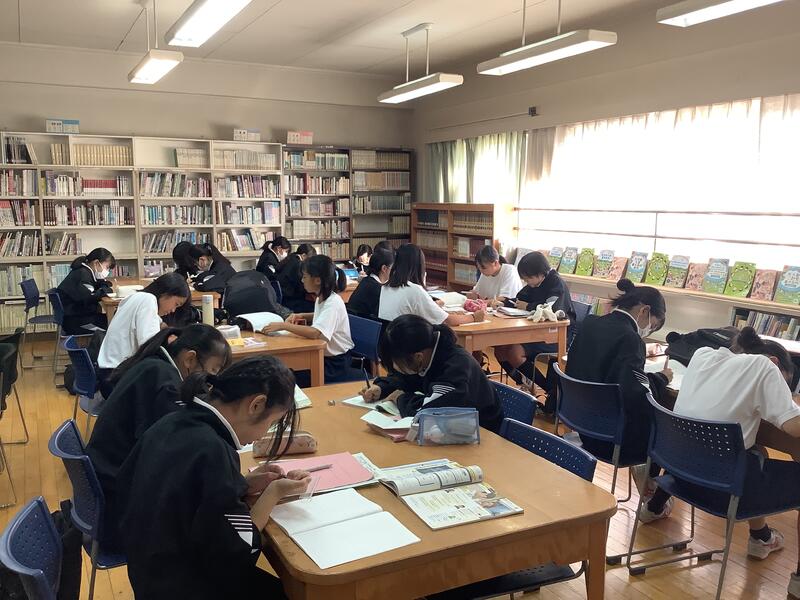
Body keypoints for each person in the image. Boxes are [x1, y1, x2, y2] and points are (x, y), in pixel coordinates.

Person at [117, 356, 310, 600]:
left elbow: (186, 494)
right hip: (184, 585)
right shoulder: (213, 450)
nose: (263, 435)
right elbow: (237, 550)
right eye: (271, 423)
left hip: (149, 571)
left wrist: (241, 484)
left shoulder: (173, 421)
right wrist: (274, 493)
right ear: (256, 405)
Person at [640, 327, 800, 598]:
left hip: (681, 479)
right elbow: (793, 427)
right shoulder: (764, 367)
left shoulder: (703, 355)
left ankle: (760, 538)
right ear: (775, 363)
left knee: (755, 452)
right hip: (724, 492)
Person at [86, 324, 232, 552]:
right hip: (118, 511)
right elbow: (172, 453)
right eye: (211, 371)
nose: (209, 382)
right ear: (190, 359)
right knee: (207, 526)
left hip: (106, 488)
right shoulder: (165, 384)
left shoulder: (155, 364)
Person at [566, 278, 671, 480]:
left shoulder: (590, 323)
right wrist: (661, 378)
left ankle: (649, 488)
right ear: (644, 311)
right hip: (609, 436)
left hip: (578, 420)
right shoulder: (631, 339)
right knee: (665, 431)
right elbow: (636, 393)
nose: (648, 330)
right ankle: (650, 488)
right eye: (653, 325)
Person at [362, 315, 504, 432]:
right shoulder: (427, 352)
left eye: (398, 364)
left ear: (418, 357)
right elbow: (408, 377)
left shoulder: (455, 367)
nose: (397, 369)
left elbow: (427, 413)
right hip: (450, 430)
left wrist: (400, 398)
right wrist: (382, 388)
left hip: (481, 432)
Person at [262, 255, 360, 384]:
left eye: (305, 277)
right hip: (325, 357)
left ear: (317, 280)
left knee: (288, 377)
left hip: (335, 364)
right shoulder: (322, 297)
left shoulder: (333, 302)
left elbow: (315, 333)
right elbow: (322, 316)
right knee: (286, 370)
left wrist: (283, 326)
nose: (302, 280)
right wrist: (302, 315)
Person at [493, 251, 576, 396]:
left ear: (540, 273)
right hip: (535, 331)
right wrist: (505, 302)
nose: (527, 282)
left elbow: (551, 309)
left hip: (556, 335)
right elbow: (520, 299)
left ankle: (547, 389)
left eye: (528, 278)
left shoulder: (556, 284)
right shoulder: (535, 283)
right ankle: (523, 382)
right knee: (500, 349)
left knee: (514, 352)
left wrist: (528, 306)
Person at [97, 272, 190, 390]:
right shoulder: (148, 300)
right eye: (176, 304)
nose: (173, 310)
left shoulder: (136, 297)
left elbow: (159, 326)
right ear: (166, 293)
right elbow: (150, 345)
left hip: (107, 372)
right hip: (116, 378)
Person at [378, 244, 484, 327]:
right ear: (419, 265)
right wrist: (474, 317)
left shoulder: (386, 287)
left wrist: (441, 311)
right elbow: (448, 321)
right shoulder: (414, 290)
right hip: (409, 344)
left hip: (390, 343)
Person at [56, 248, 115, 335]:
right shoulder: (83, 274)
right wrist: (105, 291)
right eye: (107, 267)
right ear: (96, 263)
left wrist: (103, 284)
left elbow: (92, 289)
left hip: (77, 317)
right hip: (77, 323)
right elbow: (89, 297)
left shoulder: (84, 271)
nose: (107, 271)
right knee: (114, 324)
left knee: (114, 320)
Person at [347, 247, 394, 319]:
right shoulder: (375, 288)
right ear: (384, 268)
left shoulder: (367, 281)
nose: (394, 271)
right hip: (364, 324)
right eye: (393, 268)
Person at [276, 243, 317, 313]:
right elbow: (301, 285)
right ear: (304, 255)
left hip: (283, 298)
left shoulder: (290, 259)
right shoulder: (298, 264)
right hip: (290, 299)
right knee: (315, 307)